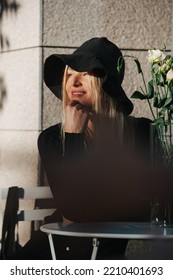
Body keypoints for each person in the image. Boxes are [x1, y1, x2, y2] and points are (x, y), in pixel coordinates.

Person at [12, 37, 154, 260]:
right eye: (69, 75)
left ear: (106, 82)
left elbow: (147, 208)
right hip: (53, 254)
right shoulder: (52, 139)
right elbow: (74, 213)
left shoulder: (143, 133)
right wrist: (74, 139)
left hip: (106, 260)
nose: (74, 82)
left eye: (85, 73)